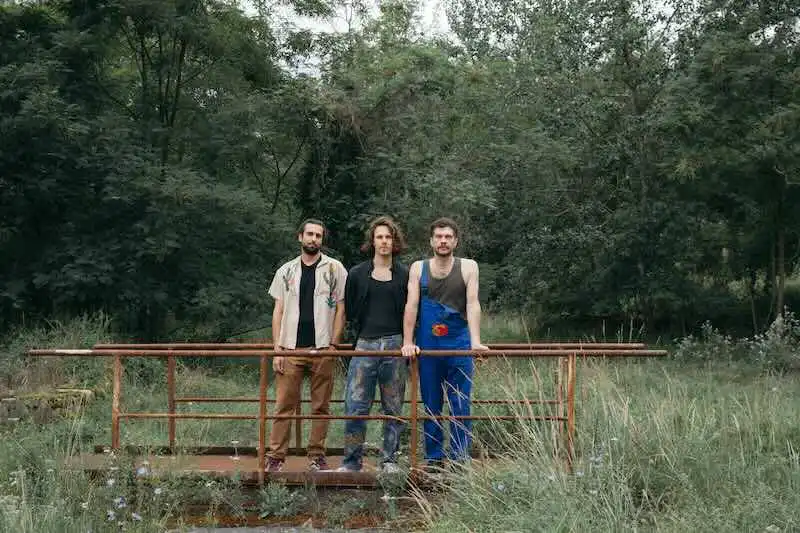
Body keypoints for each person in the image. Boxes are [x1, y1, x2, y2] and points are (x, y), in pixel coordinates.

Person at [401, 217, 488, 469]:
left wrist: (476, 341)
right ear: (431, 241)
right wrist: (407, 341)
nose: (443, 241)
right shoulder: (418, 268)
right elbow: (411, 305)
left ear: (455, 241)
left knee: (460, 402)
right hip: (428, 347)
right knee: (431, 403)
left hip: (459, 345)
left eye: (448, 237)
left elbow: (472, 303)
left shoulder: (469, 267)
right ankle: (434, 459)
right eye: (439, 237)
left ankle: (460, 459)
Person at [266, 218, 347, 472]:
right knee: (283, 405)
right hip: (290, 348)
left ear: (322, 240)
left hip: (322, 348)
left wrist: (334, 345)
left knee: (321, 406)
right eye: (310, 234)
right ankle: (276, 457)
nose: (314, 239)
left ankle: (316, 456)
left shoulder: (335, 268)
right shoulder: (286, 270)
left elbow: (341, 308)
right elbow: (278, 311)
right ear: (300, 237)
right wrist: (277, 349)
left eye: (318, 235)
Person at [338, 216, 410, 474]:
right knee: (355, 405)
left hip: (395, 345)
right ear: (372, 241)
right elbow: (349, 311)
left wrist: (409, 342)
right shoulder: (357, 274)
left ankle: (389, 461)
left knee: (393, 407)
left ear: (395, 241)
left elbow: (411, 311)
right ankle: (351, 462)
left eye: (388, 237)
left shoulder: (405, 275)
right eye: (379, 237)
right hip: (364, 344)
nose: (384, 241)